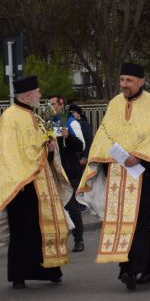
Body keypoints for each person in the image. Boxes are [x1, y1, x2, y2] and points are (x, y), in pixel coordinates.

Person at [78, 61, 150, 290]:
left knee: (137, 222)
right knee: (123, 222)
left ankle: (131, 270)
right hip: (117, 173)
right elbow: (104, 133)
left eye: (129, 81)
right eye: (122, 80)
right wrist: (103, 157)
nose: (124, 85)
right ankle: (149, 269)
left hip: (143, 172)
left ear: (140, 81)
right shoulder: (114, 103)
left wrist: (140, 155)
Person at [0, 76, 72, 289]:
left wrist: (49, 147)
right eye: (37, 92)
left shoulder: (36, 117)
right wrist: (39, 147)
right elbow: (8, 152)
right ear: (27, 94)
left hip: (41, 183)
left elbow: (41, 146)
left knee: (41, 229)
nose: (40, 96)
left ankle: (49, 270)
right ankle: (18, 274)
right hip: (21, 185)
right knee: (20, 231)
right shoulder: (10, 117)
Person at [49, 94, 90, 253]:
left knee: (72, 205)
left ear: (61, 105)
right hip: (54, 170)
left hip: (70, 170)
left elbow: (81, 145)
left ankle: (79, 239)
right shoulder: (48, 123)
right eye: (49, 104)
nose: (51, 107)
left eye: (53, 104)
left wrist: (68, 136)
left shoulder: (71, 123)